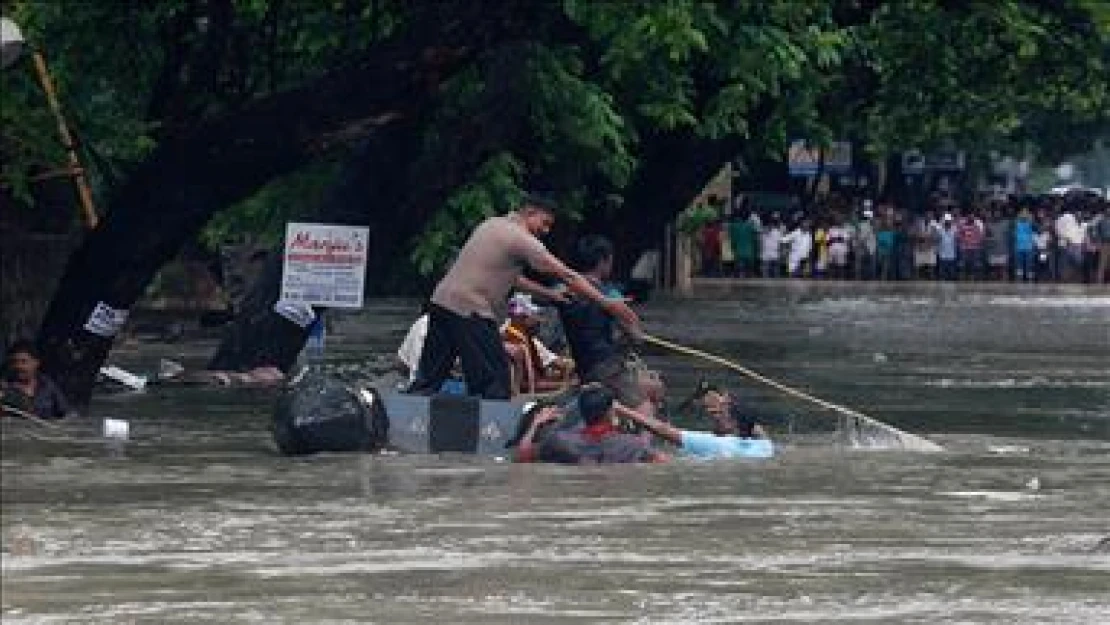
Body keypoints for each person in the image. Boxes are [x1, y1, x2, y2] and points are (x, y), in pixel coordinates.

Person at [409, 195, 640, 400]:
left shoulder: (491, 224)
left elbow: (514, 279)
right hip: (471, 311)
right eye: (545, 223)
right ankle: (493, 441)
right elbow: (568, 275)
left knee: (429, 379)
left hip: (441, 304)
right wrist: (607, 302)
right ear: (530, 213)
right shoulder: (522, 240)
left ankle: (404, 422)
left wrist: (550, 295)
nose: (546, 231)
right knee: (494, 384)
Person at [558, 235, 659, 420]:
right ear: (603, 261)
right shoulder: (609, 295)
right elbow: (634, 331)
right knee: (644, 403)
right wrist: (635, 334)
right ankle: (644, 446)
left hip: (581, 363)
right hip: (605, 363)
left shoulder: (563, 292)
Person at [519, 384, 669, 464]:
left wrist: (536, 423)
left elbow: (524, 455)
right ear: (610, 413)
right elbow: (663, 461)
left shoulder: (560, 441)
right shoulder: (633, 445)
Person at [614, 385, 772, 459]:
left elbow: (662, 430)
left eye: (721, 413)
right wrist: (726, 405)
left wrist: (617, 407)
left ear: (733, 423)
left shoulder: (715, 444)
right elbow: (754, 427)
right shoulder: (763, 446)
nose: (714, 414)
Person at [502, 293, 574, 394]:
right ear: (520, 317)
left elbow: (559, 363)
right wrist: (564, 385)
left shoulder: (530, 338)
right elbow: (523, 385)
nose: (537, 320)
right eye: (532, 316)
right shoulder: (510, 339)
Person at [1, 340, 75, 420]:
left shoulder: (48, 386)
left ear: (36, 363)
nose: (18, 366)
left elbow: (67, 413)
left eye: (24, 362)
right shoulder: (4, 388)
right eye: (14, 362)